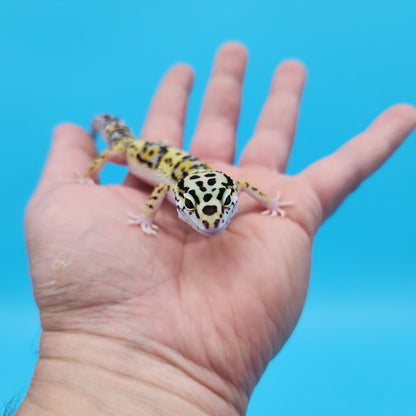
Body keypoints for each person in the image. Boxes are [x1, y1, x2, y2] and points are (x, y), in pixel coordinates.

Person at [17, 42, 415, 415]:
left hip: (188, 170)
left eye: (220, 216)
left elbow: (242, 185)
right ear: (183, 200)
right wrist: (136, 210)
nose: (211, 227)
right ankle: (103, 137)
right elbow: (155, 197)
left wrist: (271, 203)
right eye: (198, 215)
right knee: (114, 148)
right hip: (142, 152)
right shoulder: (168, 188)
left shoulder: (229, 188)